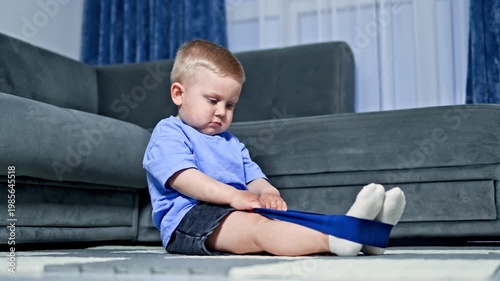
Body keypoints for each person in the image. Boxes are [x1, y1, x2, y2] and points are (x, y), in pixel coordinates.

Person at [143, 39, 406, 256]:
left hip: (237, 209)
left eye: (230, 105)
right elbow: (184, 179)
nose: (221, 112)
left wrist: (268, 191)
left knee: (286, 221)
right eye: (213, 100)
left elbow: (253, 176)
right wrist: (232, 196)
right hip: (189, 219)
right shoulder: (168, 133)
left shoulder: (230, 142)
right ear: (179, 94)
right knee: (259, 231)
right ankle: (334, 241)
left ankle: (369, 236)